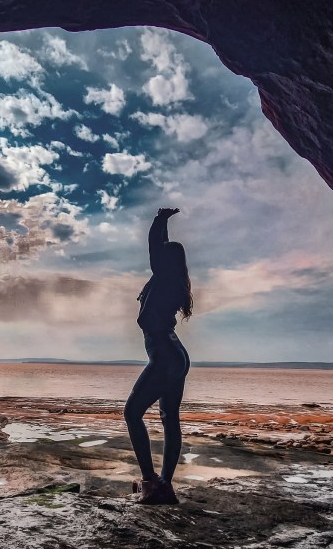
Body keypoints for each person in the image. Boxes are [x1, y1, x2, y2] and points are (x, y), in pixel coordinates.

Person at [124, 207, 193, 505]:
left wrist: (159, 220)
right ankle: (164, 484)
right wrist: (164, 224)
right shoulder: (172, 278)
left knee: (132, 413)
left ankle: (151, 483)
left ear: (167, 261)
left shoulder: (164, 277)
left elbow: (155, 249)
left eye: (163, 255)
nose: (159, 256)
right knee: (169, 418)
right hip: (175, 356)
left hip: (165, 355)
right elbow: (161, 248)